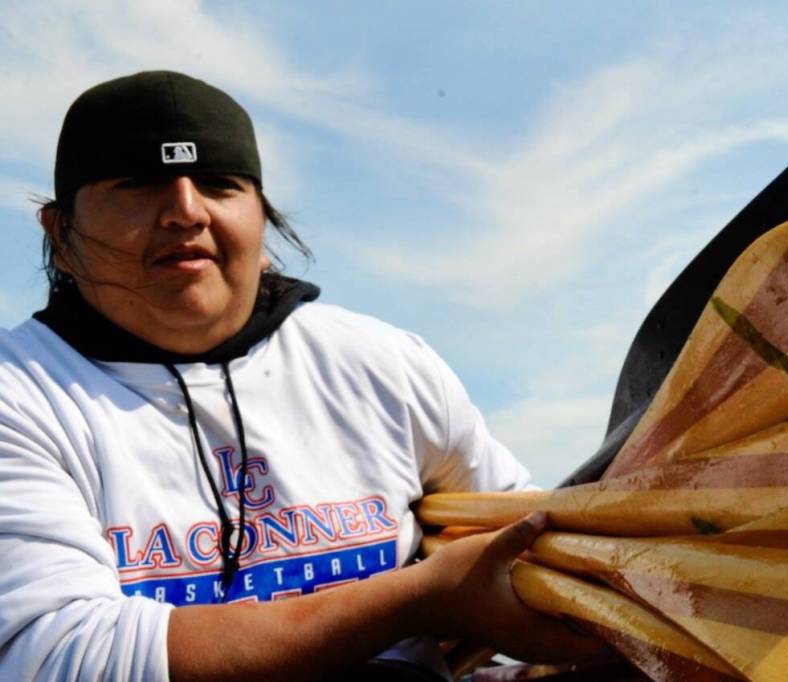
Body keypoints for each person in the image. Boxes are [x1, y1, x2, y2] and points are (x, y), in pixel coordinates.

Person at [0, 71, 603, 681]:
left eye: (219, 183)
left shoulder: (382, 364)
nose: (186, 210)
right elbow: (59, 657)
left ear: (262, 222)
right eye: (138, 183)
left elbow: (522, 552)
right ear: (61, 234)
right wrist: (418, 598)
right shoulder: (20, 391)